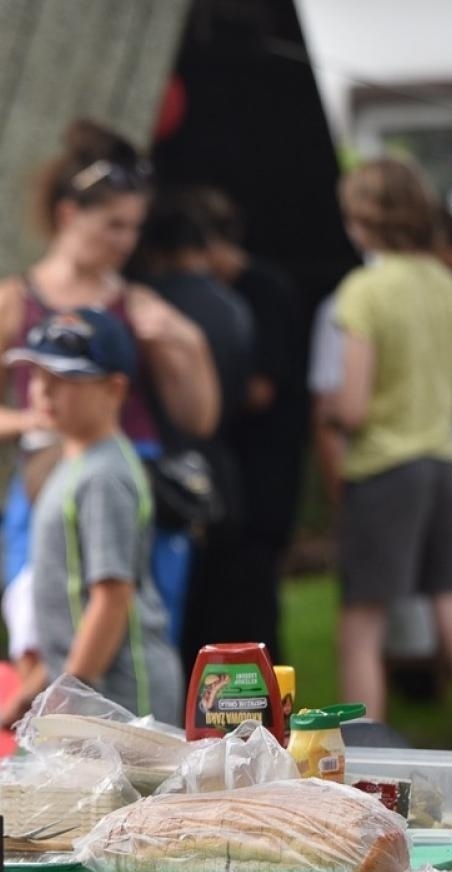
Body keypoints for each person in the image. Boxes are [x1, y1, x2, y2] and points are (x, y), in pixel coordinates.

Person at [0, 119, 217, 711]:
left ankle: (118, 722)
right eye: (113, 225)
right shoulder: (11, 300)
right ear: (69, 215)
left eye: (134, 227)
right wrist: (46, 416)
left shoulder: (135, 303)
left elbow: (198, 417)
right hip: (46, 476)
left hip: (125, 471)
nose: (126, 242)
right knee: (38, 621)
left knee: (125, 611)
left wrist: (189, 342)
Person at [326, 157, 452, 733]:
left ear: (359, 222)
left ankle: (360, 760)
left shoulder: (363, 290)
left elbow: (351, 405)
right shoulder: (446, 285)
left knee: (361, 627)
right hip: (441, 464)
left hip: (383, 471)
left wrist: (332, 411)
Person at [11, 308, 183, 722]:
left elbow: (111, 597)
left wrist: (68, 693)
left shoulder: (105, 474)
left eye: (64, 380)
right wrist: (32, 692)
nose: (43, 392)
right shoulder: (74, 463)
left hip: (123, 698)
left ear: (114, 390)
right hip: (89, 691)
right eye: (37, 377)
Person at [128, 188, 257, 668]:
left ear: (156, 252)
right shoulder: (234, 308)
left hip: (165, 471)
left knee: (168, 609)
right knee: (222, 611)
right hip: (222, 467)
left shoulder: (150, 309)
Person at [197, 187, 311, 661]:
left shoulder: (264, 290)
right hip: (240, 466)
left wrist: (199, 400)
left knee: (256, 590)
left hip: (265, 464)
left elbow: (262, 388)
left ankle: (265, 688)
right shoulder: (228, 293)